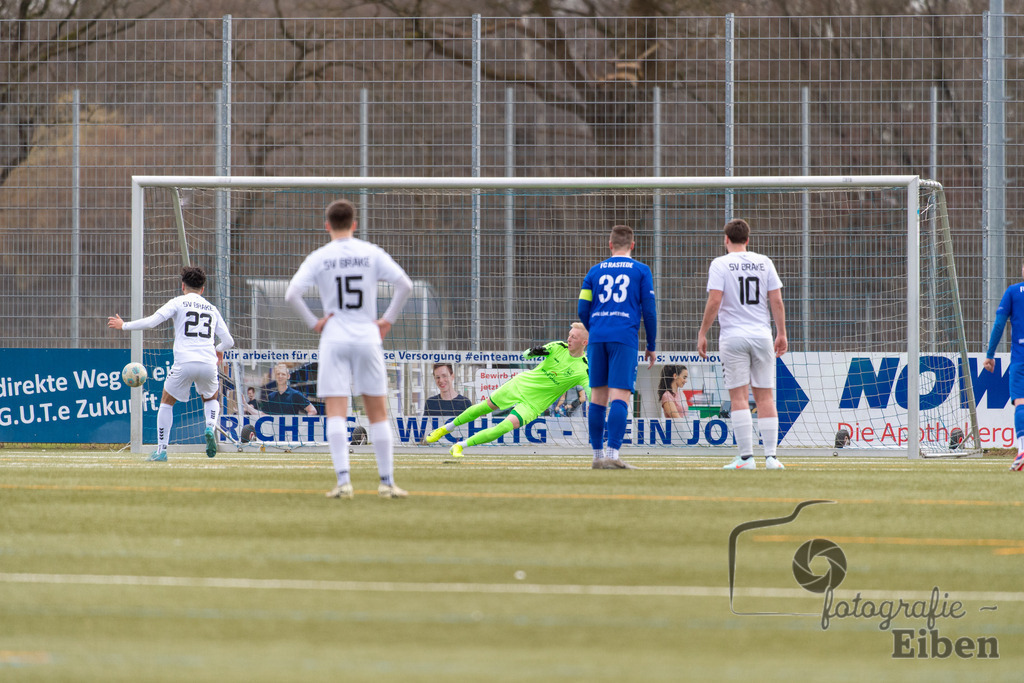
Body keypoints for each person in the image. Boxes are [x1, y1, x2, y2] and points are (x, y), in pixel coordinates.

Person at [285, 198, 413, 499]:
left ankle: (344, 482)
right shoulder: (369, 252)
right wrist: (387, 321)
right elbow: (404, 285)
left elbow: (292, 293)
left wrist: (315, 323)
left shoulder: (320, 256)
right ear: (354, 224)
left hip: (334, 337)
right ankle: (386, 482)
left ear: (327, 225)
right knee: (378, 411)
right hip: (367, 335)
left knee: (336, 412)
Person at [108, 265, 234, 461]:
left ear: (182, 286)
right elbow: (229, 342)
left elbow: (151, 322)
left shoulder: (178, 302)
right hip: (208, 363)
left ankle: (161, 451)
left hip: (184, 362)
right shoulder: (212, 309)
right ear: (202, 289)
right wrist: (218, 350)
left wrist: (124, 325)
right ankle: (209, 426)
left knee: (167, 402)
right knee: (211, 398)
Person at [697, 218, 788, 471]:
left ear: (726, 239)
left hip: (733, 337)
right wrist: (781, 333)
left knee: (738, 396)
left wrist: (703, 332)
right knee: (765, 396)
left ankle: (747, 459)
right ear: (748, 240)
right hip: (761, 335)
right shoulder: (764, 262)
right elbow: (777, 301)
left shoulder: (720, 264)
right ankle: (771, 458)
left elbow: (715, 300)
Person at [424, 323, 590, 457]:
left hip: (534, 404)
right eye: (569, 335)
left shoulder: (584, 368)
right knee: (484, 407)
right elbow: (526, 355)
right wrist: (533, 351)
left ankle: (459, 446)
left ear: (584, 343)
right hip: (519, 385)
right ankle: (445, 428)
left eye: (573, 337)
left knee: (503, 428)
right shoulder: (557, 347)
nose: (568, 339)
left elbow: (591, 392)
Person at [578, 224, 657, 470]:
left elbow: (582, 308)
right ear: (633, 245)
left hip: (598, 336)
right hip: (624, 337)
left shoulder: (594, 271)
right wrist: (651, 344)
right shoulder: (641, 270)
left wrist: (595, 326)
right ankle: (612, 455)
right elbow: (649, 311)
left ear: (610, 245)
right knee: (620, 396)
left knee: (598, 398)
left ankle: (596, 456)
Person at [983, 259, 1024, 471]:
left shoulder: (1013, 291)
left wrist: (990, 354)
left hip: (1020, 358)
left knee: (1021, 402)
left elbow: (999, 324)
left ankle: (1022, 449)